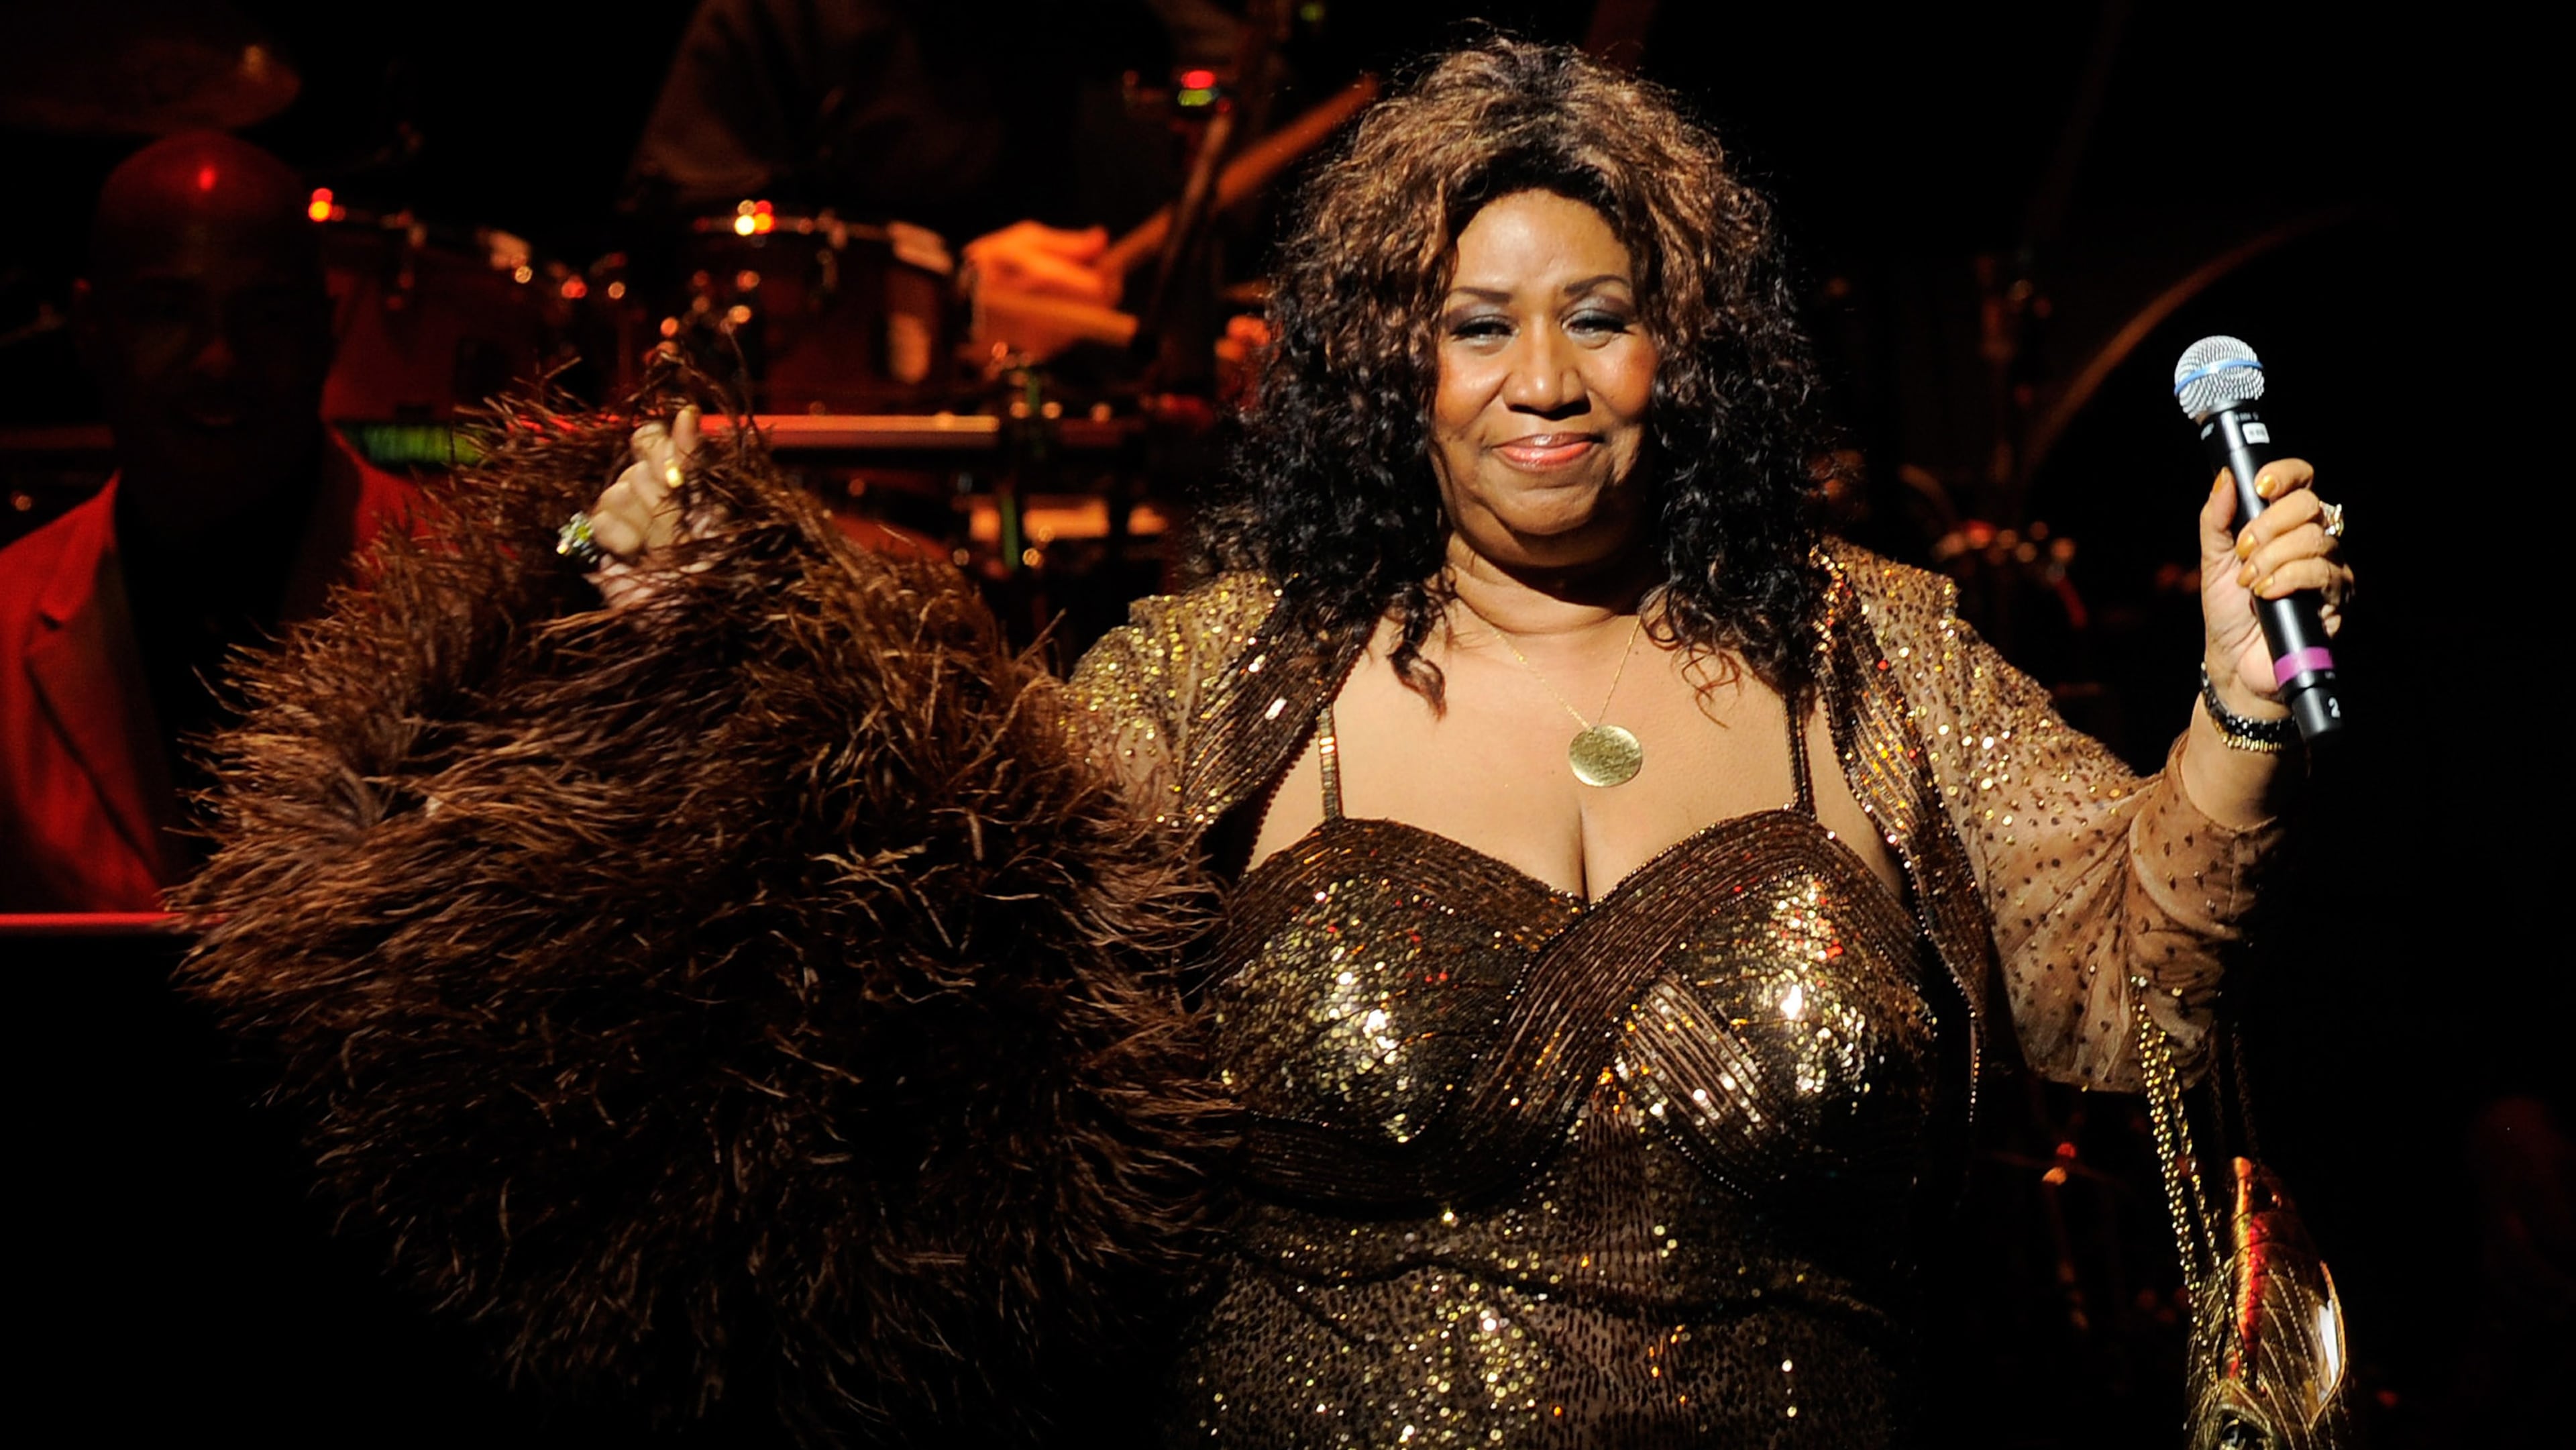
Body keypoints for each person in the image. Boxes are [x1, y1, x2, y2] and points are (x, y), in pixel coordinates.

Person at [182, 38, 2350, 1445]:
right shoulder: (1213, 683)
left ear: (1684, 352)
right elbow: (901, 921)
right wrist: (682, 630)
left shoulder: (1868, 651)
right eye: (1477, 326)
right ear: (1390, 368)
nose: (1543, 379)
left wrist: (2239, 709)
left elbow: (2123, 982)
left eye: (1598, 317)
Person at [0, 132, 414, 913]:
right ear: (90, 328)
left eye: (266, 315)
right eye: (168, 312)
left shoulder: (478, 586)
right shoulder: (3, 622)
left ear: (324, 332)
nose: (220, 360)